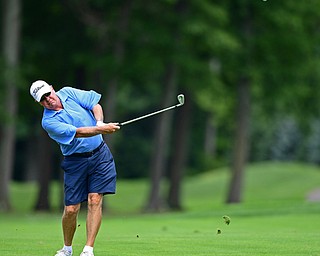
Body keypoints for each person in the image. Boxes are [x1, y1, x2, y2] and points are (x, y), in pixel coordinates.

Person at [30, 80, 120, 256]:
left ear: (52, 89)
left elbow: (94, 103)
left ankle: (88, 250)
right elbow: (78, 132)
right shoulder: (48, 122)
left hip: (100, 155)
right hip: (75, 161)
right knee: (71, 209)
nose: (48, 99)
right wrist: (100, 130)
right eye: (43, 99)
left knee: (95, 199)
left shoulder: (69, 93)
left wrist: (100, 122)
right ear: (39, 103)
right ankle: (67, 248)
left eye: (48, 94)